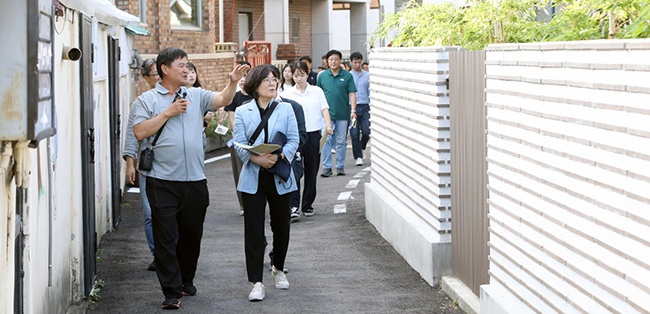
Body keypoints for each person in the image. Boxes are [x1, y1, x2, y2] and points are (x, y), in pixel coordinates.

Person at [131, 47, 249, 309]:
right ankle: (171, 292)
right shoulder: (146, 101)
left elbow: (220, 100)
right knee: (165, 237)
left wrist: (231, 82)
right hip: (161, 180)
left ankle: (187, 279)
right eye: (181, 65)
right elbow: (139, 132)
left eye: (188, 65)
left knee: (191, 235)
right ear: (165, 69)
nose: (186, 69)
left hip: (195, 180)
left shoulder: (195, 94)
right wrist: (167, 113)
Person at [233, 64, 299, 302]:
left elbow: (293, 140)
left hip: (279, 175)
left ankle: (278, 267)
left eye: (275, 79)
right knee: (253, 230)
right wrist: (256, 158)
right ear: (255, 84)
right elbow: (238, 143)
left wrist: (278, 156)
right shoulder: (243, 111)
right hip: (253, 177)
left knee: (281, 226)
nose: (272, 83)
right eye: (267, 80)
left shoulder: (286, 109)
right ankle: (256, 282)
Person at [281, 61, 333, 217]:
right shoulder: (287, 94)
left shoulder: (316, 91)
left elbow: (324, 110)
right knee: (295, 171)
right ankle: (294, 205)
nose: (298, 78)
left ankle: (308, 204)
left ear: (308, 74)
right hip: (294, 137)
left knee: (311, 171)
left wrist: (328, 126)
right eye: (296, 75)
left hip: (313, 135)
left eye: (301, 75)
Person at [123, 58, 158, 271]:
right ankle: (158, 253)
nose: (160, 78)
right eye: (155, 75)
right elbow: (131, 135)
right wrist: (130, 163)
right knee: (149, 212)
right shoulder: (142, 103)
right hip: (148, 164)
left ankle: (174, 253)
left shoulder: (180, 98)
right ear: (145, 78)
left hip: (175, 167)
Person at [317, 49, 357, 177]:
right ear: (327, 61)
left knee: (341, 141)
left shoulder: (347, 76)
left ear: (340, 61)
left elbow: (352, 93)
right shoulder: (322, 76)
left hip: (343, 114)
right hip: (326, 115)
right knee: (326, 140)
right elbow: (318, 94)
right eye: (331, 60)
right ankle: (327, 167)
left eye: (336, 59)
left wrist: (353, 110)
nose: (333, 62)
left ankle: (340, 166)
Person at [224, 61, 253, 216]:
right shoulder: (234, 97)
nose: (242, 79)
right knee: (240, 172)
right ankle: (243, 204)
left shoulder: (257, 95)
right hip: (239, 141)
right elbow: (232, 121)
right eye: (240, 76)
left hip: (257, 141)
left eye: (245, 76)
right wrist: (243, 137)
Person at [349, 52, 371, 166]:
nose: (357, 64)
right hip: (352, 108)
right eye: (355, 62)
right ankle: (358, 156)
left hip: (365, 106)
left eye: (359, 62)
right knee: (354, 132)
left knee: (367, 131)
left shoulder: (367, 75)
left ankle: (362, 145)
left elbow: (370, 91)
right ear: (351, 62)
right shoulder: (348, 76)